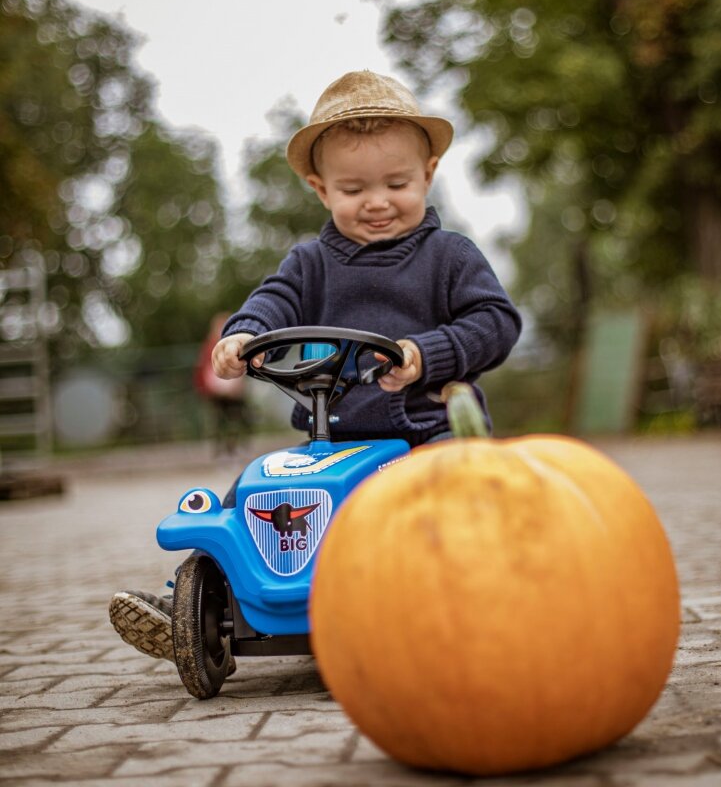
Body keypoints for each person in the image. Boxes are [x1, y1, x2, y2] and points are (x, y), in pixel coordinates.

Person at [108, 70, 522, 666]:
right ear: (321, 189)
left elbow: (496, 322)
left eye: (397, 183)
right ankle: (193, 603)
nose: (377, 201)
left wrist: (423, 354)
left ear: (427, 174)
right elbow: (274, 298)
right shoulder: (310, 263)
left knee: (455, 509)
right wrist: (244, 333)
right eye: (353, 189)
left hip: (428, 430)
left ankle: (476, 600)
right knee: (254, 495)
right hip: (337, 435)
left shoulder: (449, 257)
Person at [194, 312, 250, 456]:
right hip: (216, 394)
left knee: (236, 419)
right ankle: (220, 450)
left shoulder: (232, 345)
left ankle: (234, 447)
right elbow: (205, 372)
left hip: (231, 393)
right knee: (219, 421)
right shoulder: (209, 347)